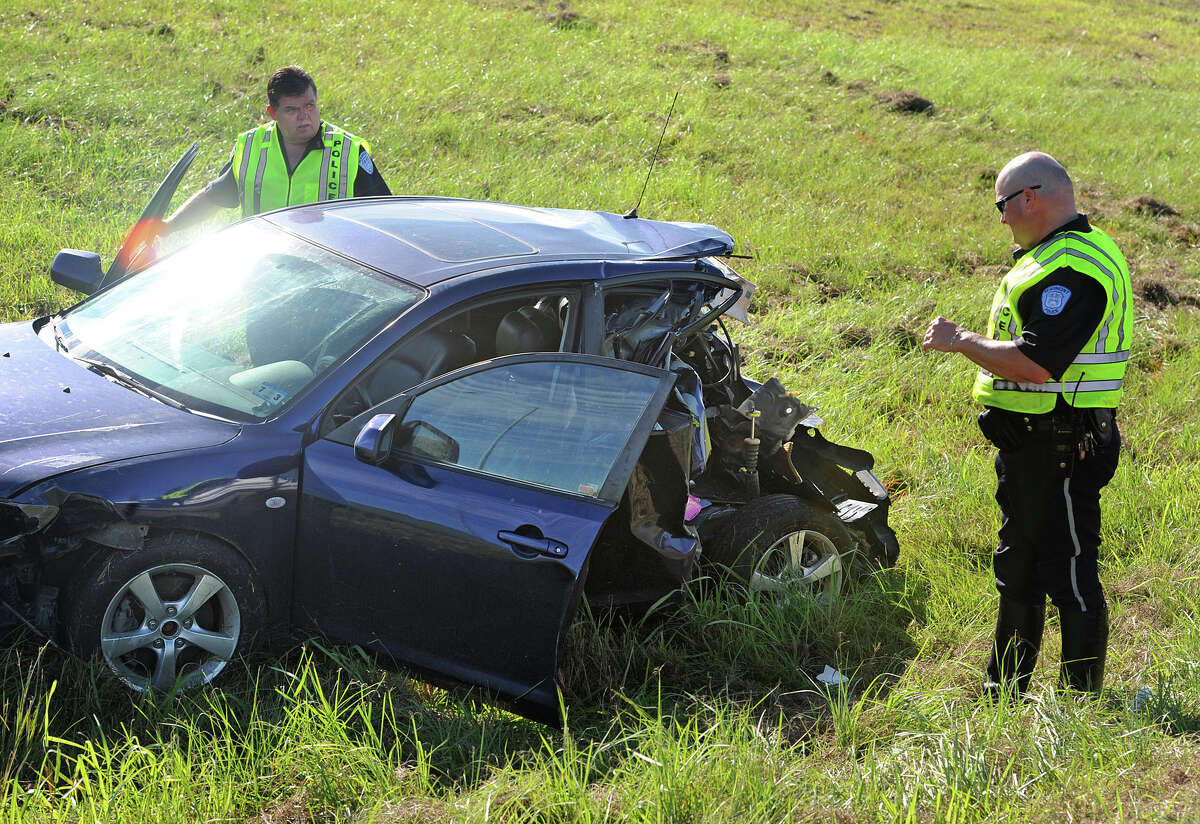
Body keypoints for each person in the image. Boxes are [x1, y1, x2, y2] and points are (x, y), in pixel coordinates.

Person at [922, 151, 1131, 697]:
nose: (1002, 219)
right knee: (1018, 566)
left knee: (1068, 572)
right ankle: (1003, 692)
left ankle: (1080, 703)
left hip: (1063, 443)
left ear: (1029, 198)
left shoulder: (1072, 269)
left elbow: (1036, 364)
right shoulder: (1052, 256)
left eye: (1002, 205)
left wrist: (961, 340)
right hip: (1032, 444)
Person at [164, 65, 390, 233]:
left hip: (330, 274)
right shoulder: (251, 147)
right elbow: (216, 197)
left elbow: (385, 216)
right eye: (292, 110)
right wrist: (168, 227)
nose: (304, 117)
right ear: (273, 114)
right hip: (265, 269)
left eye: (310, 106)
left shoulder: (349, 152)